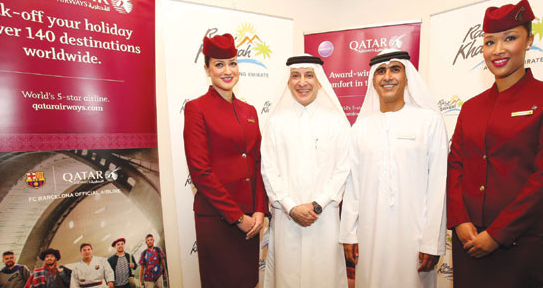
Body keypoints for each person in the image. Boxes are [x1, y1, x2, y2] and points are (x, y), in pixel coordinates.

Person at [446, 0, 543, 288]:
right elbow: (455, 164)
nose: (498, 50)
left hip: (519, 241)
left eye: (510, 38)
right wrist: (459, 220)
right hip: (468, 239)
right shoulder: (471, 107)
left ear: (529, 41)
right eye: (490, 42)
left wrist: (497, 235)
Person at [339, 48, 449, 287]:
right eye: (380, 71)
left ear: (407, 77)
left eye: (395, 69)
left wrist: (432, 242)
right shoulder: (360, 128)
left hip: (415, 237)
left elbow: (438, 186)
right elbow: (353, 186)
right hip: (371, 235)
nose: (387, 76)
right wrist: (349, 233)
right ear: (373, 80)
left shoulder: (429, 122)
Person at [183, 33, 269, 288]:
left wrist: (259, 210)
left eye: (232, 63)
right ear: (207, 68)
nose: (227, 70)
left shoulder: (249, 110)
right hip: (219, 220)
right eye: (219, 64)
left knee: (247, 281)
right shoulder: (196, 109)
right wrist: (238, 218)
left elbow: (256, 163)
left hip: (251, 223)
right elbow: (201, 172)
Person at [261, 54, 350, 288]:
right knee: (286, 277)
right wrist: (290, 207)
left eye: (309, 75)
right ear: (288, 81)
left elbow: (344, 168)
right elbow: (268, 168)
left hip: (324, 218)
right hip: (286, 218)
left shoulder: (337, 121)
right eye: (296, 76)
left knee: (324, 277)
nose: (302, 82)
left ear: (319, 80)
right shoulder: (275, 121)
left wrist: (317, 204)